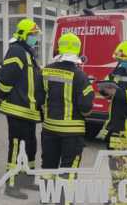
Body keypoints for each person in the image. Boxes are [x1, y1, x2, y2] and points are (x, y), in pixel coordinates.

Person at [0, 19, 45, 198]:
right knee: (17, 147)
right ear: (24, 35)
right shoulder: (17, 51)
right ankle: (11, 184)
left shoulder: (27, 52)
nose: (35, 38)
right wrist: (7, 96)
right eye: (33, 35)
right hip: (17, 110)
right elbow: (5, 80)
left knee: (31, 147)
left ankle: (26, 180)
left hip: (29, 111)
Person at [40, 33, 94, 186]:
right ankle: (64, 197)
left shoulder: (45, 71)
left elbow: (38, 97)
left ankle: (47, 196)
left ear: (59, 48)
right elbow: (86, 107)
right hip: (72, 132)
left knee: (48, 167)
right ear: (78, 50)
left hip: (49, 128)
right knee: (68, 170)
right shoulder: (80, 76)